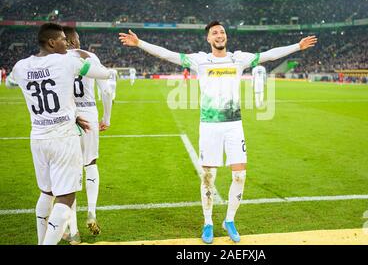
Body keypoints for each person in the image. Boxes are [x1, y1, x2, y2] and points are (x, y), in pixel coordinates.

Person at [119, 21, 317, 244]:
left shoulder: (238, 59)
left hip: (234, 125)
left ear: (226, 37)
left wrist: (297, 46)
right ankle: (208, 222)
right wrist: (139, 43)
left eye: (222, 32)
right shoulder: (200, 60)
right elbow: (168, 54)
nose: (219, 35)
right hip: (209, 126)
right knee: (208, 177)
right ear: (208, 39)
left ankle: (229, 220)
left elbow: (269, 55)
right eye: (214, 33)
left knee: (240, 175)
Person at [6, 23, 111, 245]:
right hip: (64, 138)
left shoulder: (20, 66)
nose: (68, 43)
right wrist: (85, 54)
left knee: (46, 192)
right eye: (64, 39)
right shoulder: (68, 60)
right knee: (66, 195)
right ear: (52, 42)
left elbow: (10, 83)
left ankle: (42, 239)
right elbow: (103, 73)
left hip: (38, 138)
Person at [62, 26, 114, 243]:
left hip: (67, 117)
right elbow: (107, 90)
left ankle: (72, 230)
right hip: (90, 113)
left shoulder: (58, 59)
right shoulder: (90, 56)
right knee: (90, 163)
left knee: (69, 171)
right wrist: (107, 118)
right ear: (76, 40)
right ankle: (91, 211)